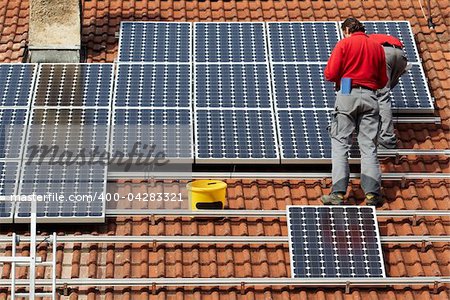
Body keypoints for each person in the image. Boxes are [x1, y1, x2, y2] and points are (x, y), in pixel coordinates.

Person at [322, 17, 388, 206]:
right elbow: (383, 80)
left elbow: (331, 74)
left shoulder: (344, 44)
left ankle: (338, 193)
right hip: (370, 97)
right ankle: (372, 194)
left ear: (347, 30)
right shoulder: (376, 47)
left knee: (341, 143)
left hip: (347, 93)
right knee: (368, 147)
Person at [370, 33, 410, 149]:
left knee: (381, 96)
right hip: (400, 56)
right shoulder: (369, 38)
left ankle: (386, 138)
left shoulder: (357, 42)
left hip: (384, 54)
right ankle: (381, 125)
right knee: (382, 92)